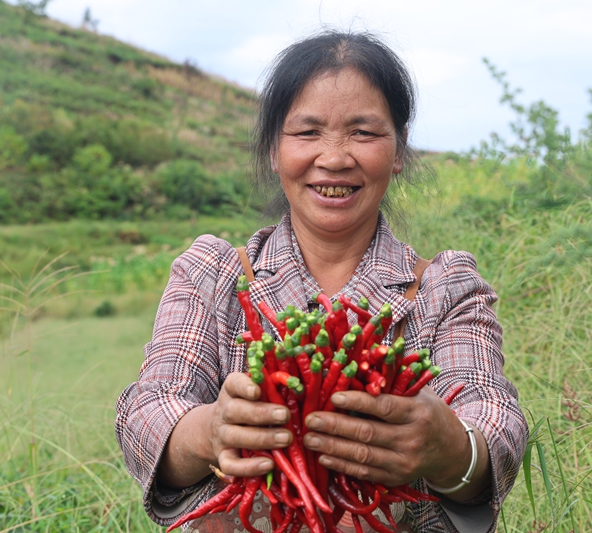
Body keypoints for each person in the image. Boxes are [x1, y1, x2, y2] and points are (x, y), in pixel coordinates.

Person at [115, 30, 528, 533]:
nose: (334, 157)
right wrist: (209, 431)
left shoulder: (446, 288)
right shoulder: (214, 275)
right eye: (307, 132)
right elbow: (148, 412)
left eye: (364, 132)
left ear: (399, 150)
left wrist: (449, 447)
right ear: (274, 150)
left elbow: (496, 421)